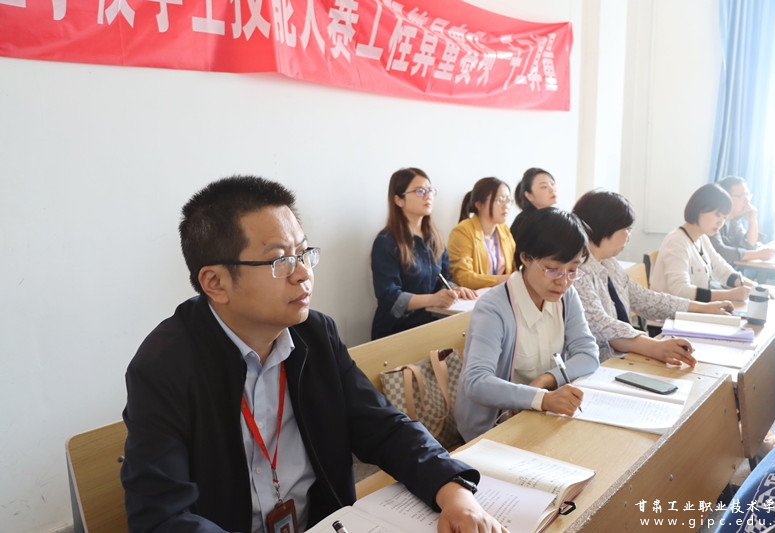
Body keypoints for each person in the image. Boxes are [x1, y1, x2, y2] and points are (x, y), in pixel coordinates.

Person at [121, 176, 506, 533]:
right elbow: (162, 517)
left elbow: (384, 428)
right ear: (215, 282)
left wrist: (453, 493)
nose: (303, 273)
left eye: (304, 253)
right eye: (281, 261)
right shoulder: (165, 366)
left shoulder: (314, 335)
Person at [454, 207, 600, 442]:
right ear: (525, 257)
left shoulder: (566, 297)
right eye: (552, 269)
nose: (563, 282)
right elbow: (476, 381)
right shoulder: (494, 308)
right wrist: (541, 397)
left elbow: (588, 354)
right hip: (494, 429)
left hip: (543, 417)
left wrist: (545, 381)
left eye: (572, 271)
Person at [572, 190, 735, 364]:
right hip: (600, 366)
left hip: (625, 357)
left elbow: (645, 299)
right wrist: (655, 346)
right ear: (606, 226)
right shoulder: (577, 270)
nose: (628, 237)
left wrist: (702, 308)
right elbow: (600, 325)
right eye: (627, 229)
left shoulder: (609, 263)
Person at [371, 168, 476, 340]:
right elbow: (389, 297)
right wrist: (433, 299)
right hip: (396, 332)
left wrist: (454, 289)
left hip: (431, 325)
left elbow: (443, 278)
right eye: (420, 191)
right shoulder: (386, 241)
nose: (428, 196)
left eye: (430, 190)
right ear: (398, 200)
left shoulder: (434, 237)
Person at [650, 183, 756, 303]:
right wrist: (729, 295)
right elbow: (680, 290)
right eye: (718, 215)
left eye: (724, 217)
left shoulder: (702, 238)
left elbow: (721, 269)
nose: (720, 222)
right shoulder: (676, 241)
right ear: (700, 209)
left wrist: (753, 287)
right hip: (671, 313)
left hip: (693, 309)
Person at [447, 177, 516, 290]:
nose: (506, 206)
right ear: (479, 204)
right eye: (499, 200)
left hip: (501, 294)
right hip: (474, 297)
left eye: (508, 200)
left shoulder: (504, 230)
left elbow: (514, 267)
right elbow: (463, 278)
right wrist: (503, 279)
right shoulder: (462, 231)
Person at [710, 176, 775, 264]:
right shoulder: (712, 218)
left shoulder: (734, 220)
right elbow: (720, 251)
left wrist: (753, 221)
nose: (747, 201)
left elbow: (749, 246)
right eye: (743, 196)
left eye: (748, 196)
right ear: (726, 196)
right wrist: (758, 255)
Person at [509, 167, 557, 240]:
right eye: (544, 186)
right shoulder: (525, 222)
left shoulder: (555, 217)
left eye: (552, 184)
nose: (552, 189)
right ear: (529, 195)